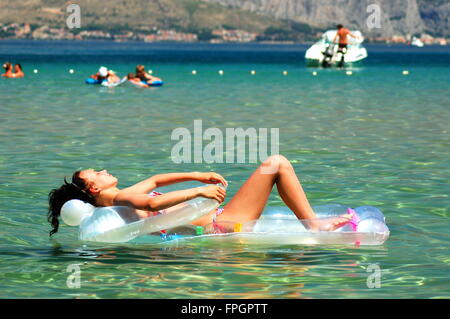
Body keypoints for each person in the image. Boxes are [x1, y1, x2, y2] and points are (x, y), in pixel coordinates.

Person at [47, 155, 352, 236]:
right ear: (94, 189)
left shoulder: (123, 195)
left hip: (220, 221)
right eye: (96, 173)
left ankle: (311, 222)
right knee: (276, 164)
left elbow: (155, 180)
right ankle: (313, 225)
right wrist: (200, 190)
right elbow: (153, 201)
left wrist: (198, 174)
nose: (103, 170)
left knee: (275, 166)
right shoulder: (119, 199)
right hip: (221, 227)